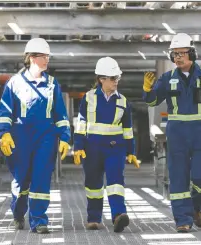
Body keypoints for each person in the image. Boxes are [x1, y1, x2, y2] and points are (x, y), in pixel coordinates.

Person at [142, 33, 201, 232]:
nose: (178, 57)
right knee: (179, 177)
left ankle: (196, 207)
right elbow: (152, 101)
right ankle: (182, 220)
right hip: (178, 133)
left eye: (182, 53)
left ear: (192, 53)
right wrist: (148, 90)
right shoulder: (167, 78)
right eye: (175, 54)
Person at [0, 37, 71, 234]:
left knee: (41, 177)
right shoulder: (14, 83)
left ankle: (39, 220)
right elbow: (4, 112)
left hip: (46, 136)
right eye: (43, 56)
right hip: (21, 137)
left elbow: (60, 115)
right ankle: (18, 212)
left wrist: (64, 137)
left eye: (47, 56)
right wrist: (4, 134)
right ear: (31, 58)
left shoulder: (53, 84)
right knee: (21, 179)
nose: (47, 60)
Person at [73, 56, 140, 233]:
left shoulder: (123, 101)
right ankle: (94, 218)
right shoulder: (88, 99)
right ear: (101, 79)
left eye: (117, 78)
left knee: (115, 181)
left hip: (114, 148)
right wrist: (78, 146)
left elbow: (128, 129)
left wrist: (131, 151)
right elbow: (81, 124)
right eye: (112, 78)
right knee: (93, 184)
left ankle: (119, 215)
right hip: (92, 148)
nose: (116, 81)